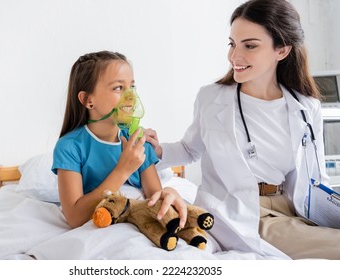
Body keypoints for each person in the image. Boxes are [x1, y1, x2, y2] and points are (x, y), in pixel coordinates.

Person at [145, 0, 340, 259]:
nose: (234, 56)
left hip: (292, 207)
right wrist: (158, 151)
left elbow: (316, 178)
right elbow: (190, 150)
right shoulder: (212, 98)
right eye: (232, 44)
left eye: (249, 46)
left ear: (281, 51)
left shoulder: (306, 108)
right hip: (245, 211)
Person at [52, 51, 187, 229]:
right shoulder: (70, 147)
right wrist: (123, 169)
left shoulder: (138, 140)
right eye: (118, 88)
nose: (130, 97)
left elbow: (155, 197)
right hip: (97, 228)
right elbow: (75, 218)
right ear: (87, 100)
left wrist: (168, 194)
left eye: (132, 86)